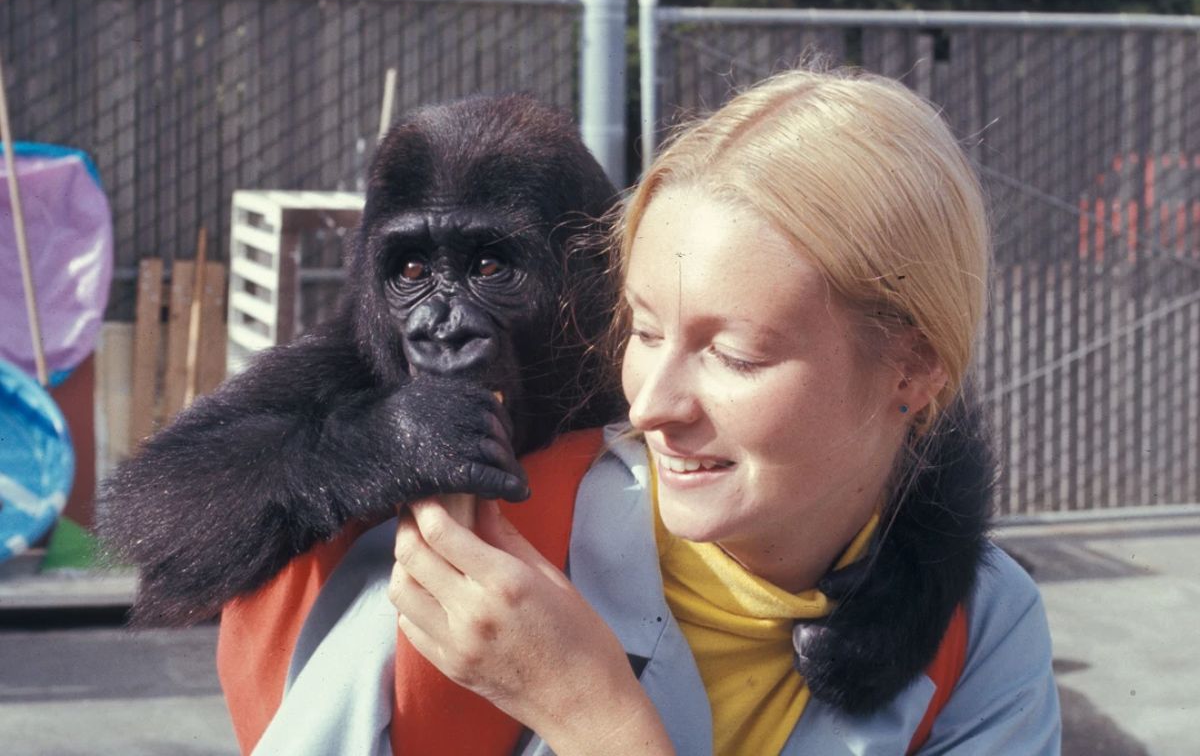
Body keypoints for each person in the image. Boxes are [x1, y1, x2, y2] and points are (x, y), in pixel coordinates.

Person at [259, 66, 1062, 755]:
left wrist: (591, 715)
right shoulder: (477, 556)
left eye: (735, 355)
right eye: (642, 331)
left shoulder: (983, 627)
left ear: (915, 369)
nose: (647, 405)